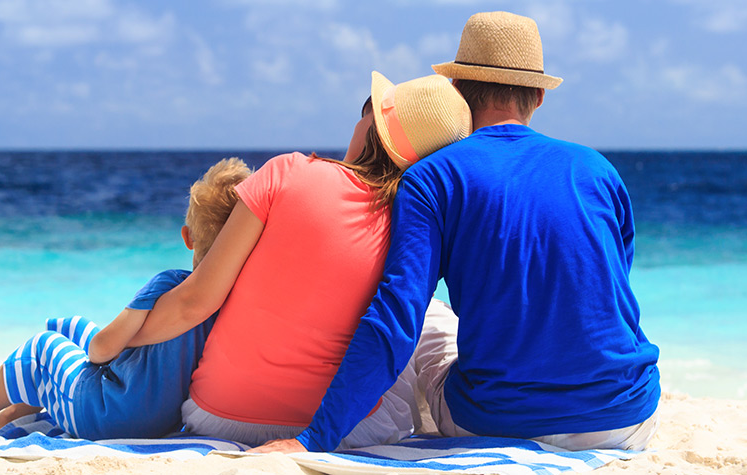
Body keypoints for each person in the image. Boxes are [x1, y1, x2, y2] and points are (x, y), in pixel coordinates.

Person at [253, 11, 661, 454]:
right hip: (625, 420)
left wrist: (313, 439)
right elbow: (607, 283)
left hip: (495, 422)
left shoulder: (432, 178)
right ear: (539, 97)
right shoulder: (599, 171)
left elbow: (395, 320)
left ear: (457, 90)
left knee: (428, 320)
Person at [114, 72, 472, 448]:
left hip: (215, 418)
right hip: (343, 432)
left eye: (366, 111)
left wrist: (118, 342)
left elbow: (197, 300)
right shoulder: (410, 226)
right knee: (419, 315)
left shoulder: (284, 172)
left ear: (371, 127)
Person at [0, 157, 252, 439]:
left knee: (43, 347)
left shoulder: (170, 285)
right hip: (161, 420)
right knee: (72, 327)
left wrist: (104, 357)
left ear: (187, 238)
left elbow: (100, 349)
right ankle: (3, 417)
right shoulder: (235, 298)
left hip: (106, 416)